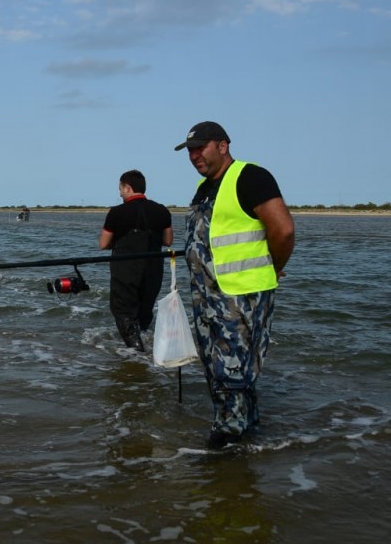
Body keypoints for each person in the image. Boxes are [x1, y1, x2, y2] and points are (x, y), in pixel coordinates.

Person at [175, 121, 295, 449]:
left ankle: (226, 443)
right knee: (219, 367)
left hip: (240, 296)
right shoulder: (206, 187)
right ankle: (247, 432)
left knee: (230, 368)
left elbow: (283, 230)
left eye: (201, 148)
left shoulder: (250, 177)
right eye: (190, 151)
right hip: (208, 297)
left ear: (223, 146)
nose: (194, 155)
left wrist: (274, 268)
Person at [98, 170, 173, 351]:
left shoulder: (116, 212)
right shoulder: (162, 210)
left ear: (128, 188)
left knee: (123, 311)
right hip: (154, 268)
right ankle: (147, 347)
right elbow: (168, 241)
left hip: (126, 268)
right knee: (144, 310)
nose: (120, 193)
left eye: (121, 189)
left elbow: (103, 244)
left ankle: (136, 353)